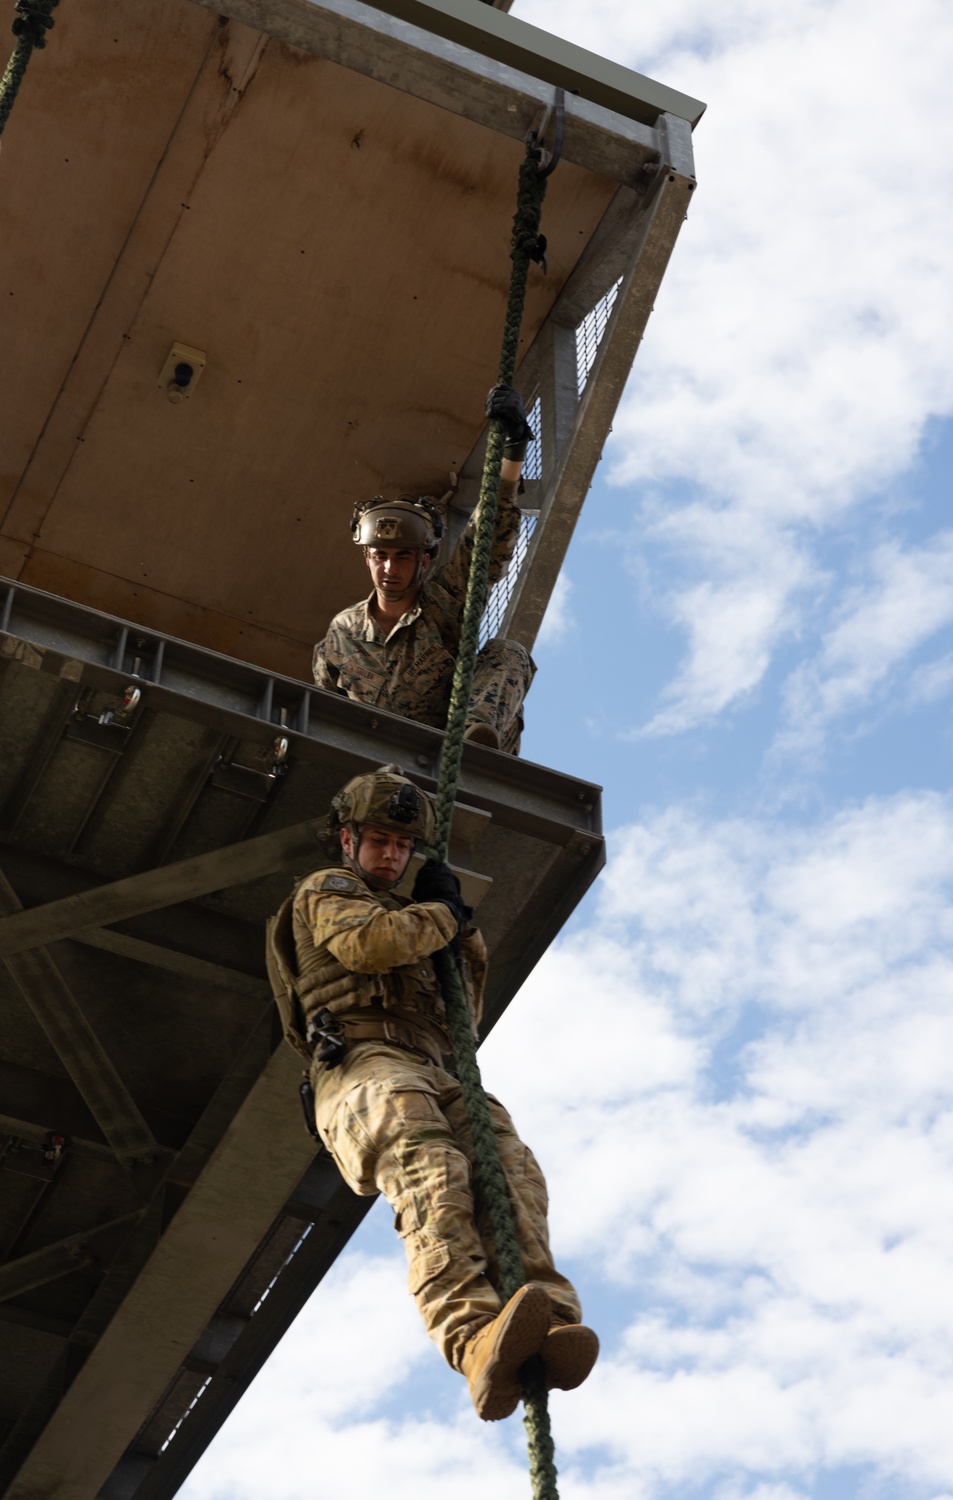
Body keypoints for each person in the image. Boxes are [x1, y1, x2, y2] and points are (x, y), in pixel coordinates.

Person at [266, 766, 598, 1420]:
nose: (390, 855)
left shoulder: (420, 916)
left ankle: (546, 1316)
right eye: (379, 841)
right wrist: (441, 913)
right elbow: (370, 945)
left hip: (434, 1064)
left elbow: (464, 1019)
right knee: (433, 1173)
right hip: (363, 1065)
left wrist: (461, 933)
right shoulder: (326, 890)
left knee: (511, 1172)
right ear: (348, 841)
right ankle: (473, 1339)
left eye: (401, 845)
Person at [312, 387, 536, 754]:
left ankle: (474, 747)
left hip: (448, 745)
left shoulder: (445, 603)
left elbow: (487, 535)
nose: (389, 568)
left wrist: (513, 445)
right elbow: (322, 706)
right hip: (376, 757)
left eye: (403, 557)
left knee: (508, 652)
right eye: (380, 556)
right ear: (366, 557)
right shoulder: (341, 634)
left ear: (424, 561)